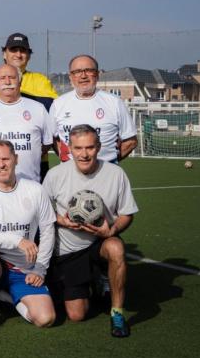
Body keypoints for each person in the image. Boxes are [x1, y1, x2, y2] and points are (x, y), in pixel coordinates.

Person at [44, 124, 138, 338]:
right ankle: (94, 280)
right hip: (70, 252)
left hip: (100, 243)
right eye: (78, 148)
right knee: (77, 315)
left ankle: (117, 313)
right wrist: (61, 220)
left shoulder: (116, 174)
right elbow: (42, 212)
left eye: (89, 148)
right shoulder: (55, 175)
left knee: (116, 248)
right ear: (69, 148)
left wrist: (111, 230)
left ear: (99, 147)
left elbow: (127, 214)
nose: (84, 154)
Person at [0, 140, 56, 333]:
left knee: (46, 319)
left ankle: (4, 296)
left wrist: (40, 269)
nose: (1, 164)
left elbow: (49, 230)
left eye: (6, 159)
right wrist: (17, 240)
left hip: (25, 269)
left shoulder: (35, 189)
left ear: (16, 159)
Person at [0, 33, 58, 179]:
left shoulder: (40, 79)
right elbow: (1, 104)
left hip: (37, 162)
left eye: (23, 50)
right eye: (13, 50)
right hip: (0, 162)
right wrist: (34, 102)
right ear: (5, 53)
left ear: (29, 55)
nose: (18, 54)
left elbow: (53, 109)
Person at [0, 64, 55, 183]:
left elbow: (47, 142)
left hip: (30, 184)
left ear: (20, 81)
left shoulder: (38, 109)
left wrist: (32, 156)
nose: (7, 81)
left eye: (12, 77)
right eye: (2, 78)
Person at [50, 54, 137, 163]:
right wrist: (68, 160)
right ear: (70, 77)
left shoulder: (115, 102)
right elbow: (53, 139)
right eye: (77, 72)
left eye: (89, 70)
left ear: (97, 74)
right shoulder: (58, 104)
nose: (83, 76)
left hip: (105, 173)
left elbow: (130, 141)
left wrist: (109, 162)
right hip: (70, 173)